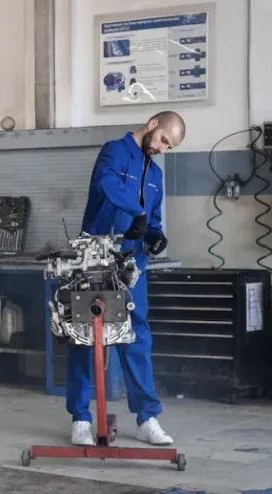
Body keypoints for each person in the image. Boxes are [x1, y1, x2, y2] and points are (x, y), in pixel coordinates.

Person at [69, 110, 186, 447]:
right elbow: (106, 184)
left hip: (132, 265)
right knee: (85, 336)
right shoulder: (114, 151)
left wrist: (155, 235)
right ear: (152, 125)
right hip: (95, 258)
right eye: (164, 140)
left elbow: (153, 218)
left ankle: (147, 418)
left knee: (136, 337)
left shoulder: (156, 174)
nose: (163, 149)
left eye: (170, 147)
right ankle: (80, 419)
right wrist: (137, 212)